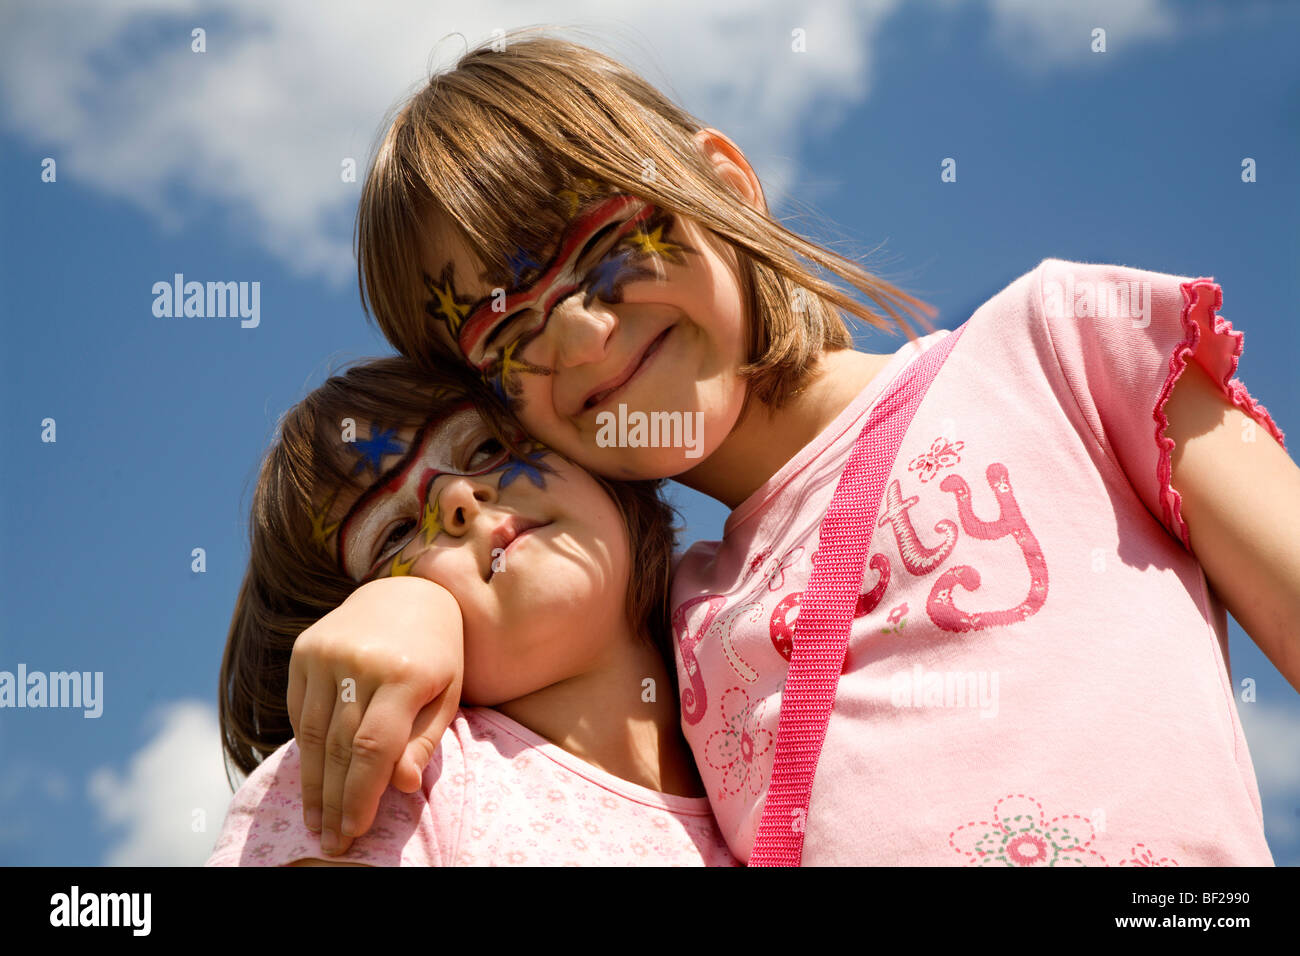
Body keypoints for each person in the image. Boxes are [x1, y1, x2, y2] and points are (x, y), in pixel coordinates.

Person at [295, 28, 1300, 865]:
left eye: (601, 253)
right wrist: (411, 600)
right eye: (505, 332)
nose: (578, 334)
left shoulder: (1060, 348)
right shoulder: (668, 619)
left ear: (721, 181)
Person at [207, 356, 738, 865]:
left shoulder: (765, 650)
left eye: (485, 446)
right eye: (395, 532)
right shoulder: (371, 777)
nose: (459, 496)